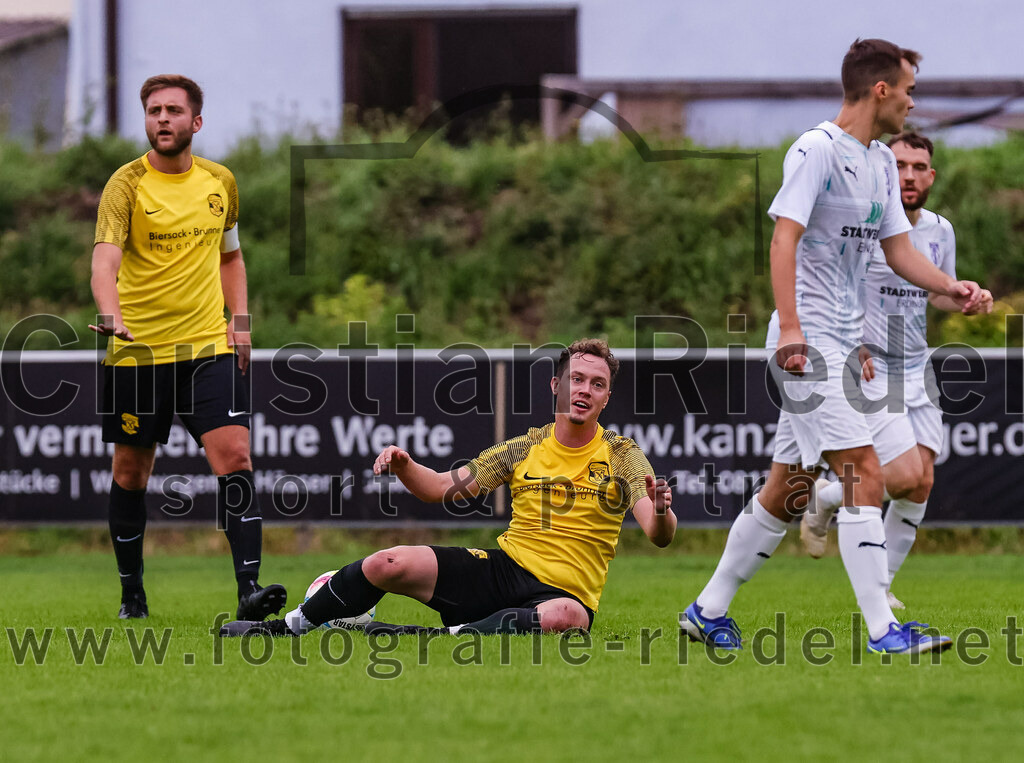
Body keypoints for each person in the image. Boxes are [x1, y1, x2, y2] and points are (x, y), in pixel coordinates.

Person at [679, 39, 984, 655]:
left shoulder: (876, 161)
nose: (911, 100)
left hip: (847, 348)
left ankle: (707, 610)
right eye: (908, 89)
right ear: (881, 90)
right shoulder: (815, 150)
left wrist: (952, 286)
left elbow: (900, 254)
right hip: (810, 345)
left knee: (787, 490)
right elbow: (783, 241)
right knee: (864, 474)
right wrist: (791, 329)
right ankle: (883, 630)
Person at [220, 339, 677, 638]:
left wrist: (660, 510)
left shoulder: (622, 455)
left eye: (598, 384)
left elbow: (658, 534)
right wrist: (405, 467)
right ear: (557, 385)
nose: (585, 390)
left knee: (568, 619)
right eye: (577, 379)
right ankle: (285, 629)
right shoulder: (524, 448)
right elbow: (440, 488)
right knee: (389, 561)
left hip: (564, 596)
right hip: (503, 570)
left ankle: (439, 637)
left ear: (606, 397)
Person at [90, 74, 286, 620]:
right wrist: (111, 312)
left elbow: (231, 257)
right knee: (131, 474)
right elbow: (105, 259)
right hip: (137, 353)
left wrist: (240, 321)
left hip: (207, 347)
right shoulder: (125, 185)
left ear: (195, 122)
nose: (162, 119)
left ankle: (249, 593)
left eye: (173, 110)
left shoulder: (220, 182)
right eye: (153, 110)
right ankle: (133, 593)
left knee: (237, 459)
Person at [800, 132, 993, 607]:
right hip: (870, 364)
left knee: (921, 483)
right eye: (901, 164)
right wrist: (853, 342)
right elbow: (839, 284)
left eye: (919, 166)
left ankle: (878, 587)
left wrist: (965, 296)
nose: (909, 174)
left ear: (932, 175)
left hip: (915, 364)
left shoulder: (940, 231)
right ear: (887, 170)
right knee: (903, 475)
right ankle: (829, 500)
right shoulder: (867, 224)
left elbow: (933, 291)